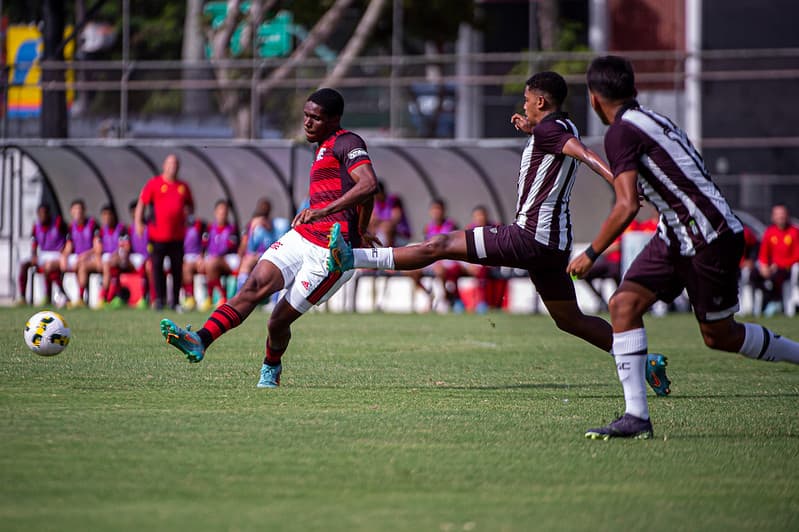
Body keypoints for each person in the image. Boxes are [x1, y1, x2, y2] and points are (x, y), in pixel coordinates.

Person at [328, 71, 671, 394]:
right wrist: (530, 130)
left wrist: (621, 183)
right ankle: (645, 363)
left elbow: (583, 154)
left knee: (440, 244)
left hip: (530, 236)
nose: (523, 106)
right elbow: (559, 143)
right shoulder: (559, 126)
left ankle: (353, 258)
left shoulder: (552, 131)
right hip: (552, 244)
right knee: (571, 320)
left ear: (540, 102)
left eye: (526, 100)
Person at [566, 55, 799, 440]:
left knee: (719, 336)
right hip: (679, 234)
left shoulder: (620, 132)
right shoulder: (654, 119)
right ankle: (636, 417)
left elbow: (626, 205)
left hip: (708, 237)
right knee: (623, 305)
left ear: (594, 99)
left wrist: (591, 253)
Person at [160, 88, 379, 388]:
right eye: (305, 115)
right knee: (253, 286)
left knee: (277, 320)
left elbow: (368, 186)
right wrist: (363, 227)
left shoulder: (348, 142)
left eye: (316, 118)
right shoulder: (320, 147)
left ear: (334, 119)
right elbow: (362, 198)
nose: (307, 122)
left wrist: (343, 224)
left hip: (330, 254)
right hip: (301, 237)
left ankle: (271, 367)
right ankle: (200, 339)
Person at [134, 154, 194, 310]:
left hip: (177, 236)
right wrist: (138, 222)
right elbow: (142, 202)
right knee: (157, 268)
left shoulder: (183, 186)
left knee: (176, 269)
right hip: (157, 236)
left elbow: (190, 206)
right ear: (164, 166)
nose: (173, 166)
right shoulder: (154, 184)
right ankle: (159, 300)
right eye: (170, 163)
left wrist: (187, 217)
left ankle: (175, 301)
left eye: (175, 164)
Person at [16, 204, 67, 305]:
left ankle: (55, 294)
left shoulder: (58, 223)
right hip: (43, 254)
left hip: (57, 254)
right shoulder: (36, 226)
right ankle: (22, 297)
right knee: (24, 264)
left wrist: (64, 252)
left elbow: (68, 238)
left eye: (45, 213)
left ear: (49, 214)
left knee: (48, 266)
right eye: (40, 213)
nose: (42, 215)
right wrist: (34, 255)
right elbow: (34, 243)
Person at [236, 197, 290, 291]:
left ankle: (274, 299)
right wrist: (252, 230)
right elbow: (250, 249)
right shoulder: (258, 228)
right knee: (246, 263)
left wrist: (270, 229)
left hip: (276, 255)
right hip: (260, 256)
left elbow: (282, 245)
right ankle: (241, 293)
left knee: (275, 265)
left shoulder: (281, 225)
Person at [755, 204, 799, 316]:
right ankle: (760, 307)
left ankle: (782, 305)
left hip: (788, 269)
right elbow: (763, 254)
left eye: (782, 214)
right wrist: (764, 266)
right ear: (773, 217)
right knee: (754, 275)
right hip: (772, 269)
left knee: (781, 275)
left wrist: (778, 265)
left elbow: (797, 256)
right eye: (778, 214)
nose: (780, 217)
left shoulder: (794, 232)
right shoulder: (770, 232)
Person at [198, 199, 240, 311]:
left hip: (228, 259)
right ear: (215, 213)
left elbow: (229, 248)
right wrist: (201, 258)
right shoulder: (209, 228)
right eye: (220, 212)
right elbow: (203, 245)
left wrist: (214, 257)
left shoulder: (232, 229)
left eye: (225, 212)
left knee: (211, 263)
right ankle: (192, 299)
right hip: (211, 259)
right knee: (188, 266)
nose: (222, 215)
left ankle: (221, 297)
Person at [89, 205, 127, 309]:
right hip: (106, 257)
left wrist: (117, 254)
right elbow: (97, 247)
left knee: (108, 264)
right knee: (84, 265)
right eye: (104, 215)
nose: (106, 218)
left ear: (113, 216)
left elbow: (125, 246)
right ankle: (80, 298)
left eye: (109, 215)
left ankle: (104, 297)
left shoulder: (121, 228)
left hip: (121, 256)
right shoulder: (100, 231)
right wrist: (98, 259)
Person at [61, 199, 98, 308]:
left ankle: (81, 298)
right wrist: (63, 256)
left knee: (82, 266)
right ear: (71, 212)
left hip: (91, 257)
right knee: (58, 264)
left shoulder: (92, 224)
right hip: (77, 257)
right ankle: (63, 296)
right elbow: (69, 246)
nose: (78, 212)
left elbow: (97, 248)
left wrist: (84, 255)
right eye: (75, 210)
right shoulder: (71, 227)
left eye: (80, 210)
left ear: (84, 211)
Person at [119, 199, 154, 309]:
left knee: (148, 266)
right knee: (113, 262)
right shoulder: (129, 229)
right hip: (135, 257)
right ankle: (113, 297)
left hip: (149, 257)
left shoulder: (151, 226)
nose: (136, 214)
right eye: (134, 211)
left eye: (138, 211)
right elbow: (125, 246)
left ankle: (149, 298)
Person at [369, 181, 411, 247]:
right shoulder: (375, 203)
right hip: (381, 232)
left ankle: (390, 252)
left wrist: (379, 223)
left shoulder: (394, 200)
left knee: (387, 227)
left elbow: (396, 219)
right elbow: (372, 221)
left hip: (399, 234)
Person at [180, 214, 206, 311]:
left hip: (197, 256)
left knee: (188, 267)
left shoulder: (199, 224)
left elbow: (205, 240)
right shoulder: (178, 226)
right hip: (184, 257)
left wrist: (202, 255)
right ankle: (187, 297)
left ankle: (196, 298)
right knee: (182, 267)